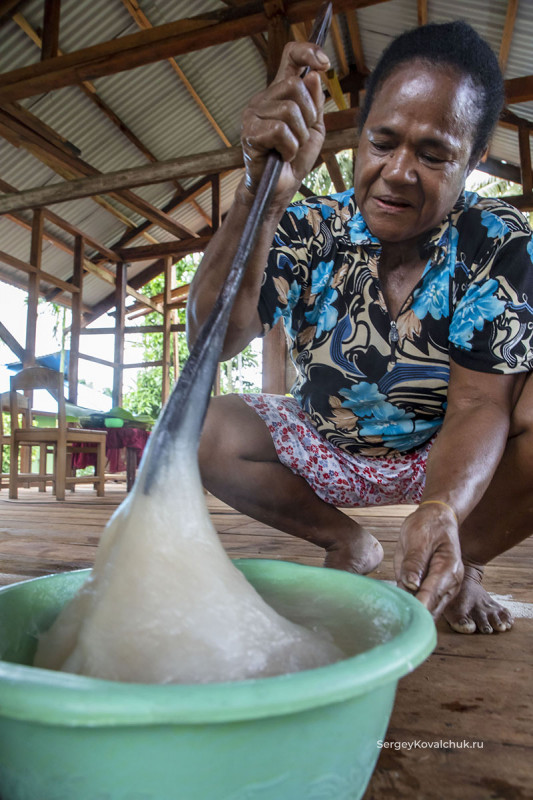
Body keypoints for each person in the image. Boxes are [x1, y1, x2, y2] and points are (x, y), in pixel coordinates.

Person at [188, 21, 533, 634]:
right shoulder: (305, 225)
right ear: (354, 137)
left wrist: (442, 506)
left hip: (442, 454)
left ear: (475, 158)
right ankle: (349, 542)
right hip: (326, 442)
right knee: (202, 429)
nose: (398, 172)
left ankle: (460, 562)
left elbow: (482, 402)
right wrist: (258, 195)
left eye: (433, 155)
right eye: (383, 142)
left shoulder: (496, 241)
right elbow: (211, 338)